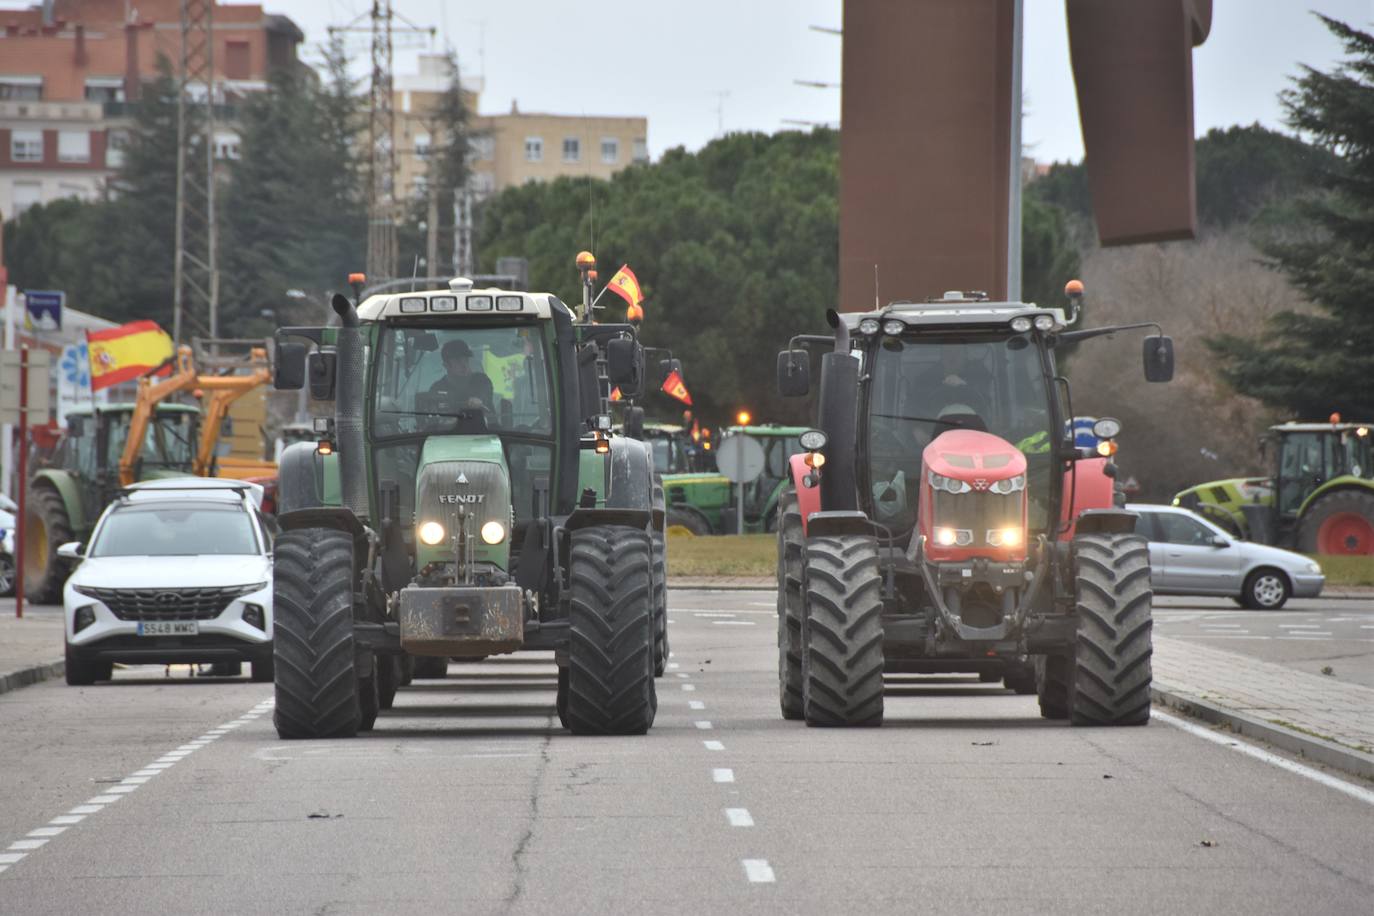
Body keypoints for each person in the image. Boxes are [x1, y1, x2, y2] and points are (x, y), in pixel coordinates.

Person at [429, 339, 494, 411]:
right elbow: (432, 411)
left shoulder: (481, 380)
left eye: (466, 360)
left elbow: (484, 393)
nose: (464, 365)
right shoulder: (437, 388)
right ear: (446, 365)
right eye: (458, 361)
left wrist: (478, 399)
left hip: (484, 422)